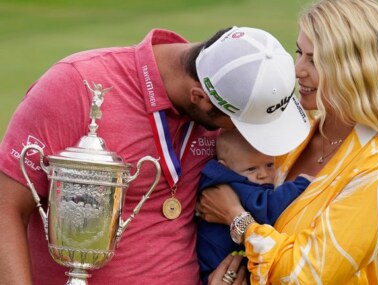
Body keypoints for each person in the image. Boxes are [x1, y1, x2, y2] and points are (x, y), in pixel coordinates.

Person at [0, 26, 310, 284]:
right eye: (241, 126)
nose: (246, 137)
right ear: (199, 98)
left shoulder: (230, 89)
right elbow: (6, 207)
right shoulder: (76, 85)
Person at [198, 1, 378, 284]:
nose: (298, 69)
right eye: (300, 53)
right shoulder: (293, 135)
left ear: (356, 70)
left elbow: (303, 275)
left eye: (315, 60)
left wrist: (236, 218)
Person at [196, 129, 312, 284]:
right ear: (224, 167)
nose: (263, 174)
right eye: (251, 169)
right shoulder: (237, 186)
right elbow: (265, 209)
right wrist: (300, 184)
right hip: (220, 266)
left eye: (270, 165)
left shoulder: (231, 178)